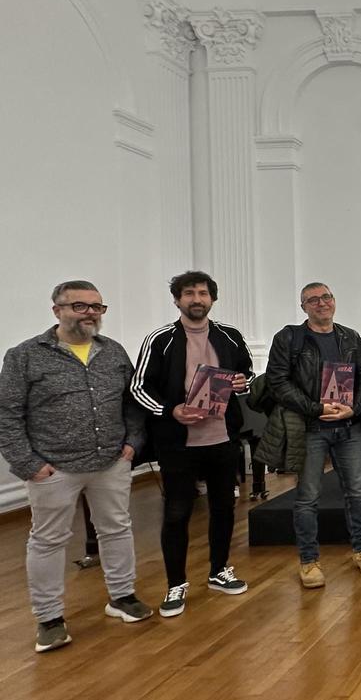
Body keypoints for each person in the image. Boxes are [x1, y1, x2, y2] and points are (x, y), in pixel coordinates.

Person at [0, 280, 152, 653]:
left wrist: (133, 443)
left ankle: (122, 596)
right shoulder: (25, 356)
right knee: (48, 541)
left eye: (97, 307)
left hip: (110, 462)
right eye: (80, 306)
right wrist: (28, 464)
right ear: (58, 310)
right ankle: (49, 618)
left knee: (116, 529)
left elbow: (132, 402)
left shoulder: (113, 352)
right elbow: (7, 414)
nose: (90, 314)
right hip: (54, 468)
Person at [130, 271, 254, 617]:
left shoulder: (229, 336)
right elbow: (139, 388)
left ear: (212, 299)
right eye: (189, 293)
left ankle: (218, 570)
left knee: (224, 508)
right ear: (177, 300)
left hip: (222, 436)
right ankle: (175, 584)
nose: (196, 299)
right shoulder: (160, 338)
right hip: (178, 442)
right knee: (176, 513)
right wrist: (172, 411)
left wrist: (242, 383)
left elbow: (247, 374)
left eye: (202, 293)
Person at [267, 282, 361, 588]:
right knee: (307, 498)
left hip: (348, 427)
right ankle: (308, 560)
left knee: (357, 492)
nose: (321, 303)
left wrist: (353, 410)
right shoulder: (290, 338)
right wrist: (316, 408)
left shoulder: (350, 337)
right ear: (303, 307)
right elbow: (278, 382)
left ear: (334, 301)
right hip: (310, 428)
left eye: (325, 297)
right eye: (312, 300)